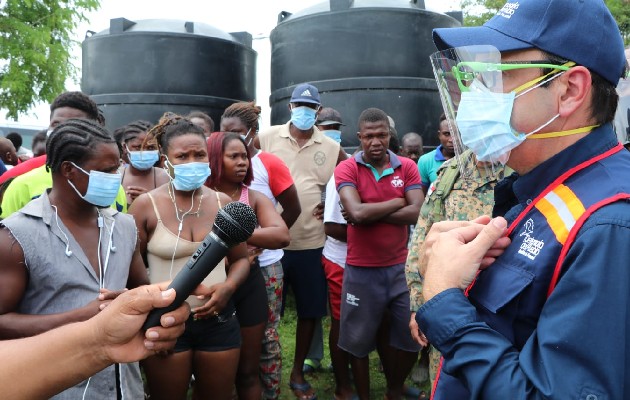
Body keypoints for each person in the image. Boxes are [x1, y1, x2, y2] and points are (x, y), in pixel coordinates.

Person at [413, 0, 630, 398]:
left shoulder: (610, 226)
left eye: (493, 77)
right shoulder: (543, 186)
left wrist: (444, 300)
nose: (473, 96)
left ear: (569, 90)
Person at [0, 118, 149, 399]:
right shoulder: (16, 235)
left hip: (123, 389)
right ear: (69, 170)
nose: (116, 177)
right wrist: (82, 318)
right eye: (107, 170)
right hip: (51, 388)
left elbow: (140, 285)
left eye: (117, 168)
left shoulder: (125, 227)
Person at [128, 113, 249, 400]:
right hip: (166, 322)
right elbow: (133, 268)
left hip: (218, 318)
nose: (192, 162)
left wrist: (227, 289)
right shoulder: (146, 206)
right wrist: (155, 318)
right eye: (182, 156)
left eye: (199, 155)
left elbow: (241, 260)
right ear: (165, 161)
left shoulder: (223, 202)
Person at [257, 83, 347, 400]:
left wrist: (336, 204)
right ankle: (261, 372)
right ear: (290, 108)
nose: (304, 112)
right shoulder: (267, 138)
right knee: (268, 315)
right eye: (299, 106)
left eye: (311, 108)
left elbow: (349, 176)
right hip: (271, 246)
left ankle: (296, 372)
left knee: (310, 311)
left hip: (311, 242)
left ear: (318, 112)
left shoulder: (331, 147)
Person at [335, 108, 423, 400]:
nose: (376, 141)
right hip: (361, 270)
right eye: (369, 136)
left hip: (400, 269)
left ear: (389, 135)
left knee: (412, 337)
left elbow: (418, 212)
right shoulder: (347, 168)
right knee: (357, 343)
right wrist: (397, 201)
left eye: (382, 135)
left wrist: (368, 212)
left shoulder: (407, 166)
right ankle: (364, 395)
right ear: (359, 137)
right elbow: (356, 213)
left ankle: (394, 390)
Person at [405, 149, 510, 389]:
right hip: (447, 311)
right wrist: (419, 305)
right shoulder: (452, 171)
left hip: (501, 315)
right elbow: (423, 242)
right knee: (446, 383)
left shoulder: (526, 167)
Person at [220, 100, 301, 399]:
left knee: (265, 336)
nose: (231, 136)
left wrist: (259, 239)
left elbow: (291, 209)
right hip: (224, 268)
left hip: (265, 265)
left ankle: (268, 392)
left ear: (252, 132)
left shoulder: (268, 164)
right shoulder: (213, 173)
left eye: (238, 132)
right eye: (225, 131)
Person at [207, 131, 290, 400]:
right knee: (215, 369)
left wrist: (234, 231)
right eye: (233, 156)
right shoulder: (202, 196)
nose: (242, 162)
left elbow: (281, 235)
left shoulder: (252, 197)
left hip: (250, 282)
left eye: (244, 156)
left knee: (248, 369)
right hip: (210, 284)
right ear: (214, 159)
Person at [0, 283, 191, 400]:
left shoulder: (124, 227)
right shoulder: (14, 235)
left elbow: (138, 281)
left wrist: (100, 338)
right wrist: (87, 320)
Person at [0, 91, 128, 218]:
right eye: (56, 124)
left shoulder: (110, 187)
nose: (63, 131)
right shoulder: (21, 187)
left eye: (74, 124)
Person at [118, 120, 170, 205]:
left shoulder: (167, 177)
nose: (144, 152)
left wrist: (150, 200)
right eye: (138, 147)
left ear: (158, 148)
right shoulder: (116, 176)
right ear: (124, 147)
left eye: (150, 147)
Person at [416, 114, 454, 195]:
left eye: (456, 133)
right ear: (439, 135)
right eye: (447, 134)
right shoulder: (425, 161)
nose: (451, 139)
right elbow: (422, 197)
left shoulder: (471, 159)